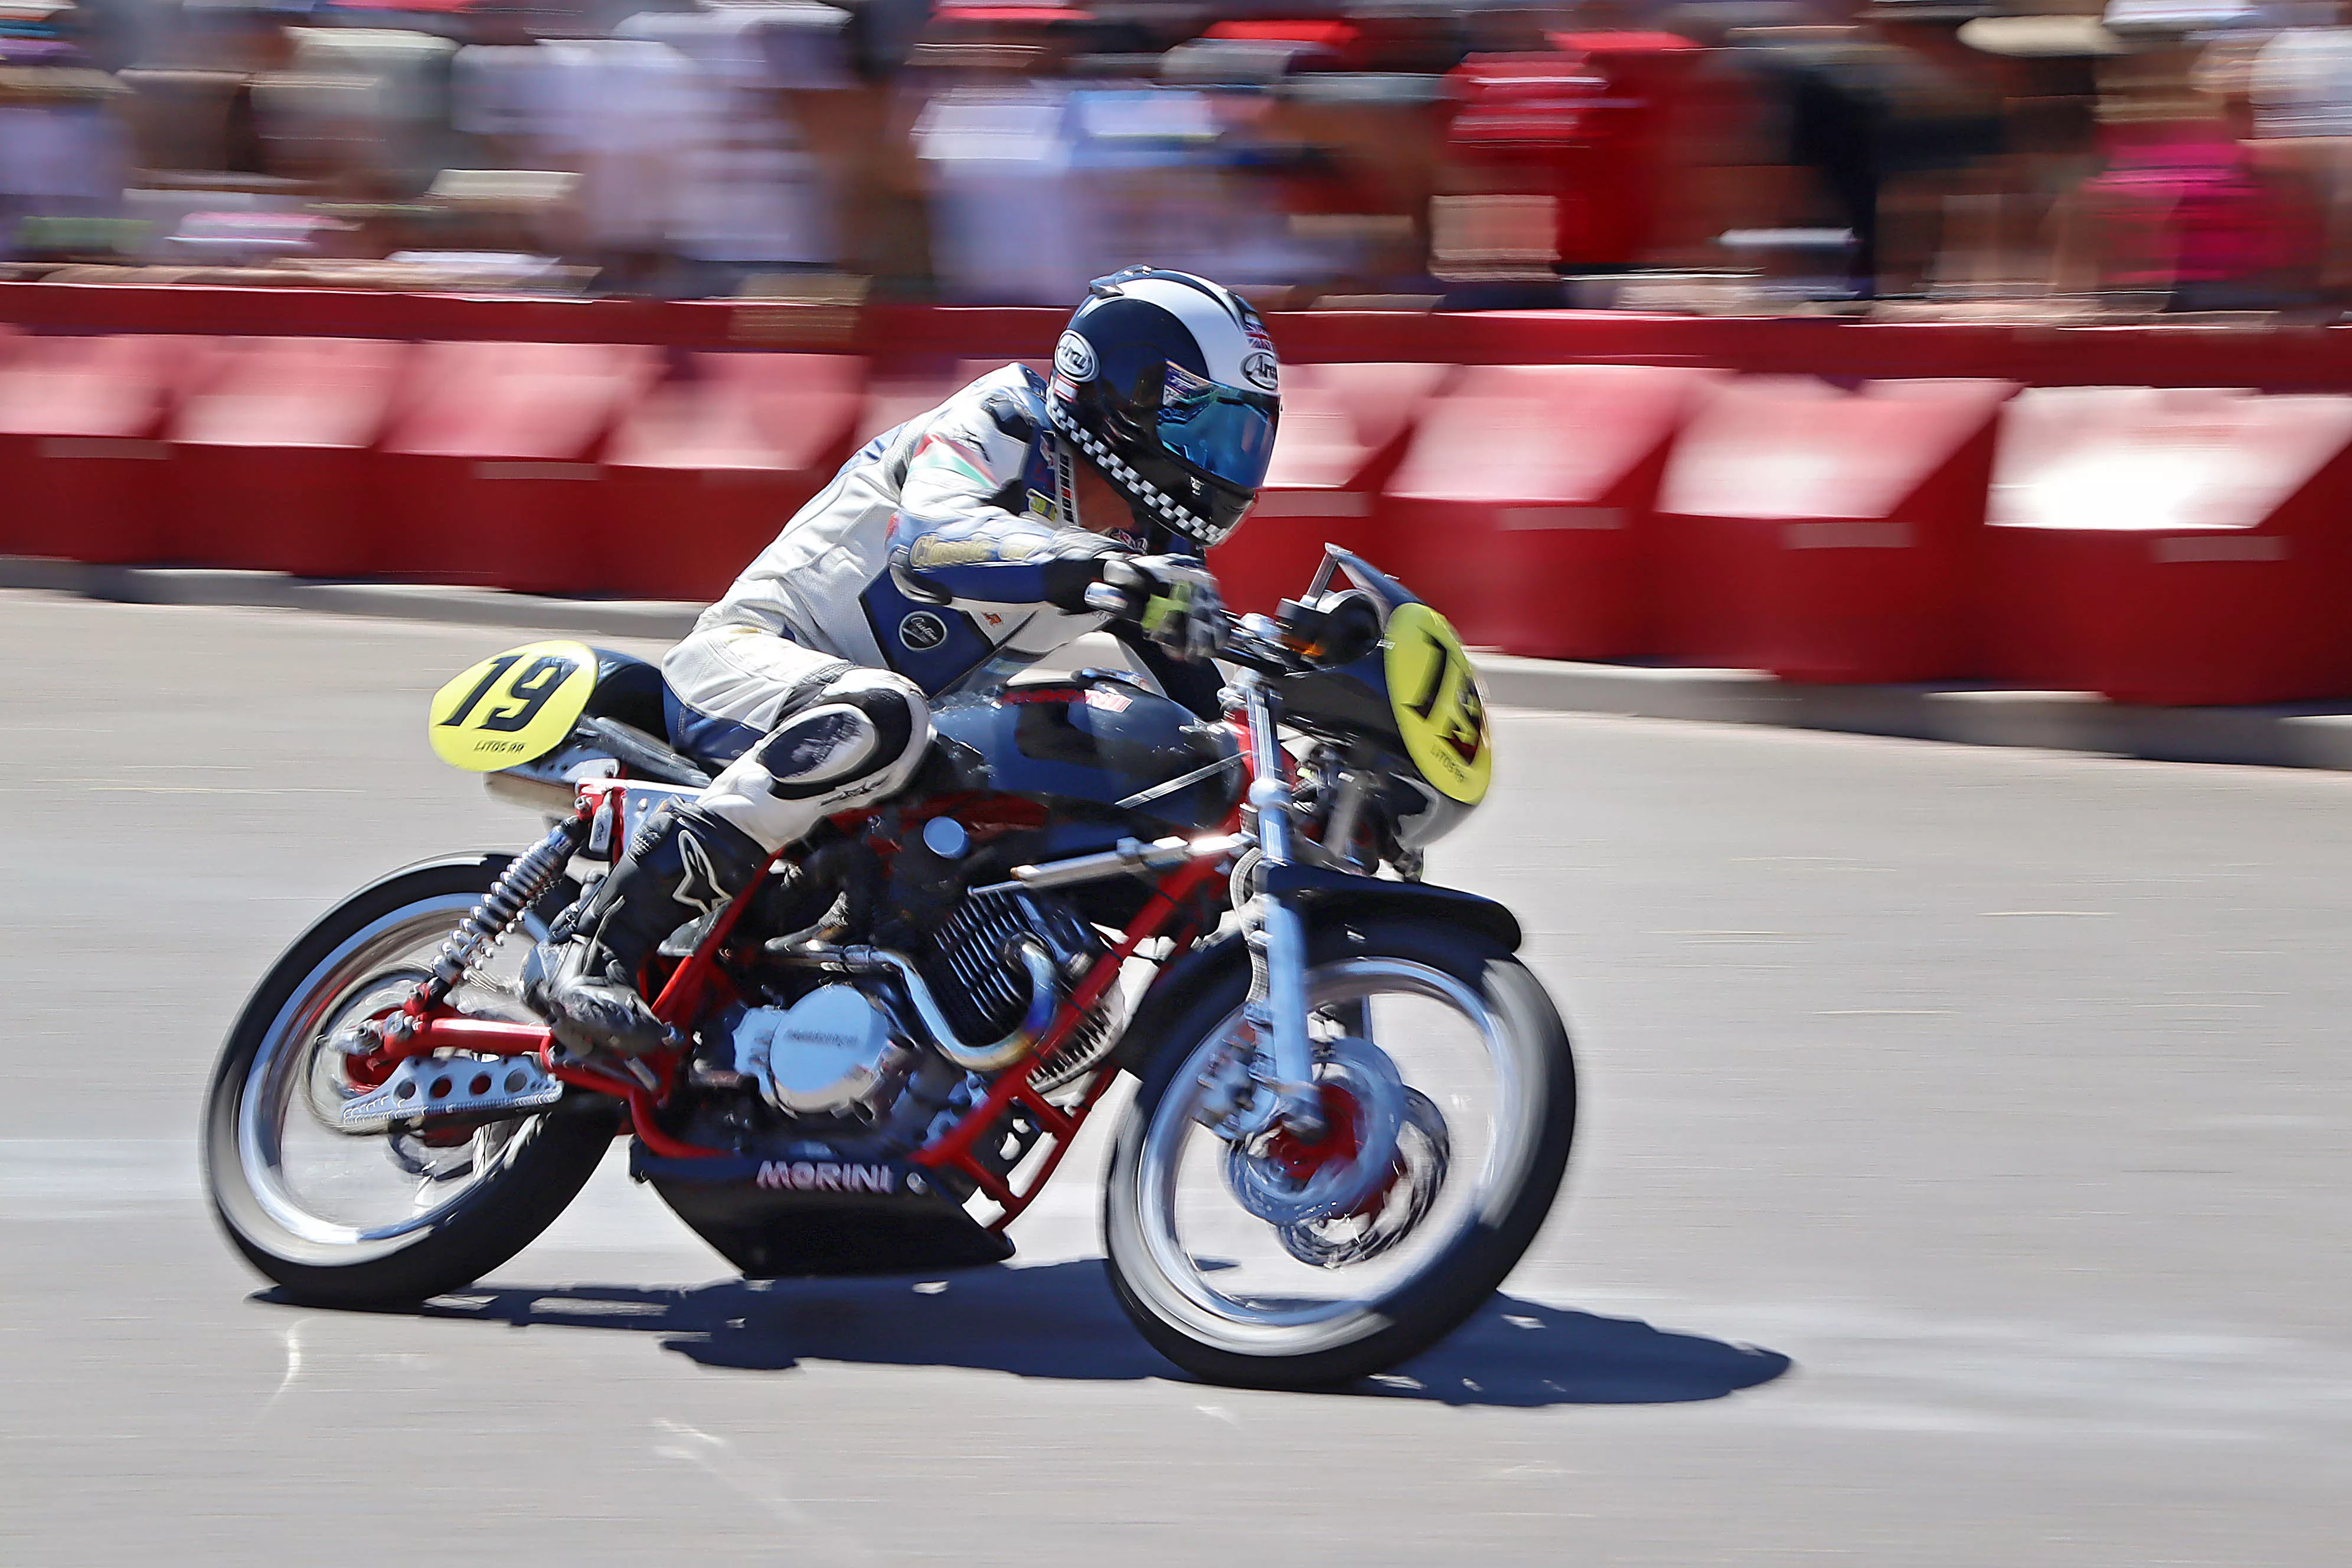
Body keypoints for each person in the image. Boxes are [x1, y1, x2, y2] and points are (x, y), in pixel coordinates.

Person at [525, 266, 1283, 1057]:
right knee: (884, 716)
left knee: (1062, 786)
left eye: (1245, 432)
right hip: (749, 665)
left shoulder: (1152, 545)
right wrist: (1100, 570)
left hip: (887, 748)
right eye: (1207, 424)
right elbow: (929, 540)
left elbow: (1211, 699)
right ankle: (597, 941)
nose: (1227, 457)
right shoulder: (1003, 422)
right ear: (1124, 391)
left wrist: (1293, 751)